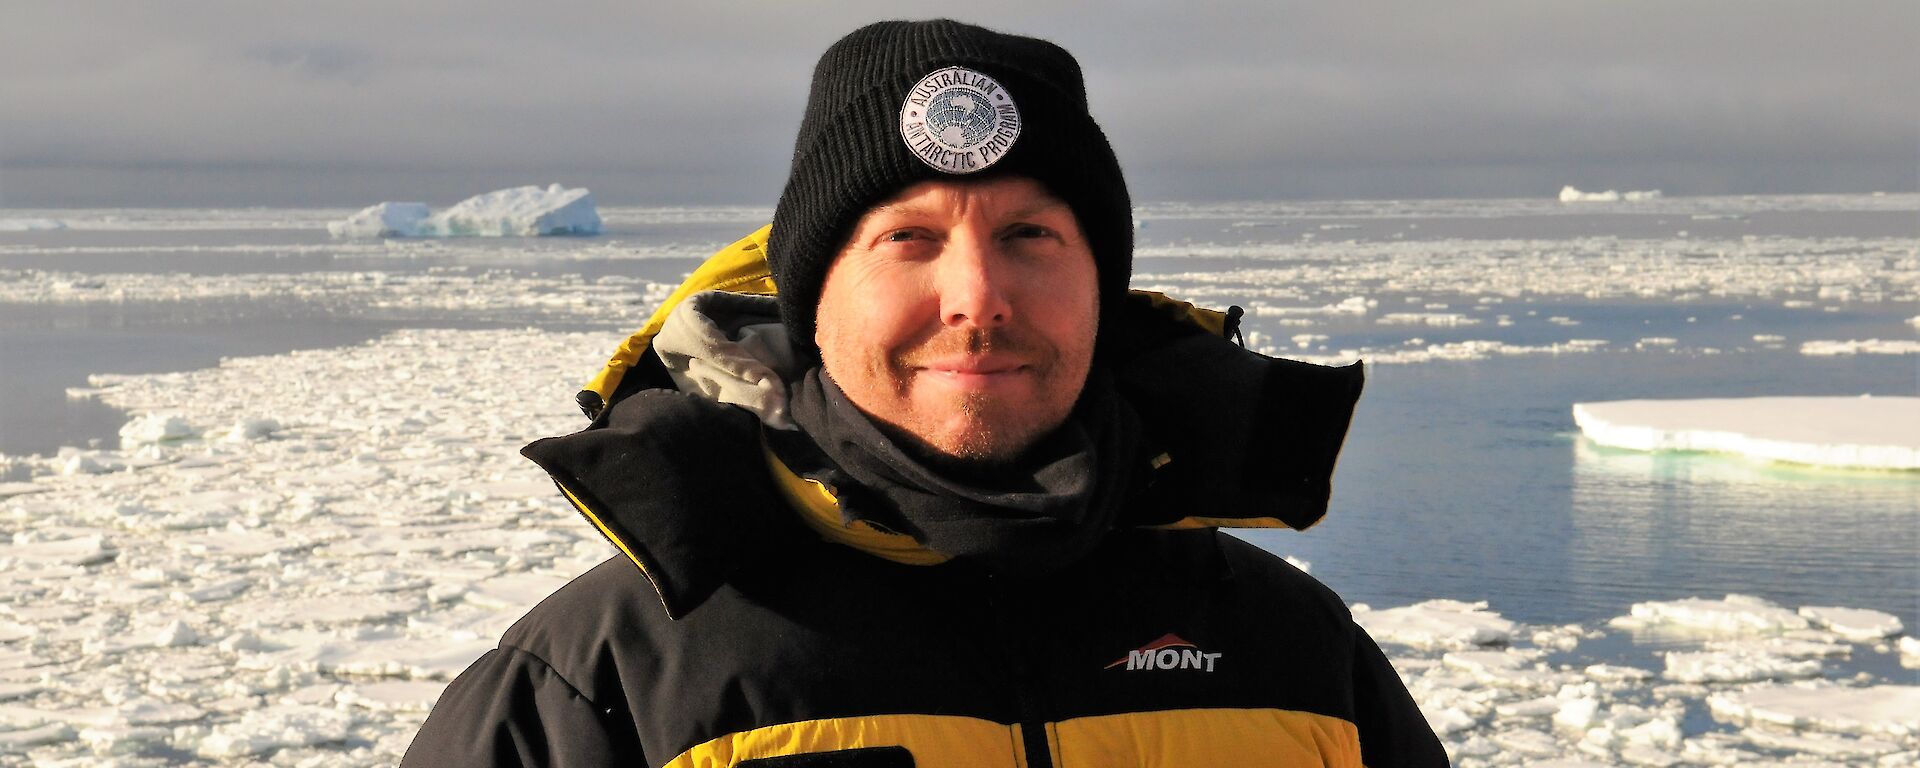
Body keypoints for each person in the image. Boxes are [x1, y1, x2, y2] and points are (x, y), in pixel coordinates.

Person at [402, 18, 1446, 768]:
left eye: (1030, 235)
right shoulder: (604, 685)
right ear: (812, 302)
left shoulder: (1296, 657)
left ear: (1102, 288)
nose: (979, 298)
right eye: (908, 239)